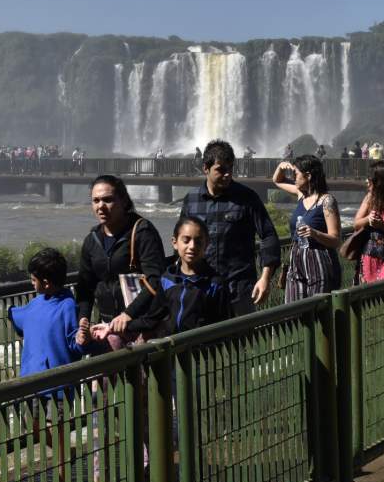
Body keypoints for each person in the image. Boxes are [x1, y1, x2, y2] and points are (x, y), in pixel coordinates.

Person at [180, 140, 280, 313]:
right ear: (206, 168)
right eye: (220, 170)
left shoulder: (247, 198)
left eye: (230, 169)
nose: (227, 175)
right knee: (205, 339)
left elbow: (269, 235)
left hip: (239, 290)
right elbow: (181, 241)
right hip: (201, 287)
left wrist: (265, 278)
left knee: (240, 339)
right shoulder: (191, 200)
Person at [74, 175, 167, 349]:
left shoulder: (142, 232)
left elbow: (156, 279)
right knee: (111, 374)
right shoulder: (92, 240)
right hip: (109, 327)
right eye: (95, 201)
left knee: (145, 375)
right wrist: (83, 320)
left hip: (142, 327)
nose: (100, 206)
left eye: (107, 200)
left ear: (123, 200)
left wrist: (128, 314)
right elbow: (85, 287)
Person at [272, 155, 342, 300]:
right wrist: (281, 167)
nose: (293, 178)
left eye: (296, 174)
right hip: (296, 257)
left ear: (308, 176)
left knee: (317, 308)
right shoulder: (301, 195)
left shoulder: (326, 201)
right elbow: (277, 180)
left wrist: (314, 233)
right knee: (292, 308)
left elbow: (336, 240)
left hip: (318, 258)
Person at [10, 247, 85, 379]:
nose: (31, 283)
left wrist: (9, 311)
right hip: (45, 384)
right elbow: (74, 343)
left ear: (45, 284)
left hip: (46, 385)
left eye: (33, 280)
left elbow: (16, 316)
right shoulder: (65, 304)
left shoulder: (64, 306)